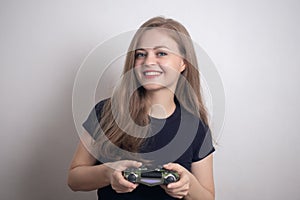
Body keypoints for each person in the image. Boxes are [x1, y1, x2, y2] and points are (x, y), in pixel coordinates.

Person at [68, 16, 215, 200]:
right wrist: (108, 173)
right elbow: (74, 179)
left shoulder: (196, 128)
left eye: (161, 53)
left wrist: (189, 185)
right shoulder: (106, 112)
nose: (148, 61)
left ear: (183, 63)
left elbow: (208, 197)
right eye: (140, 54)